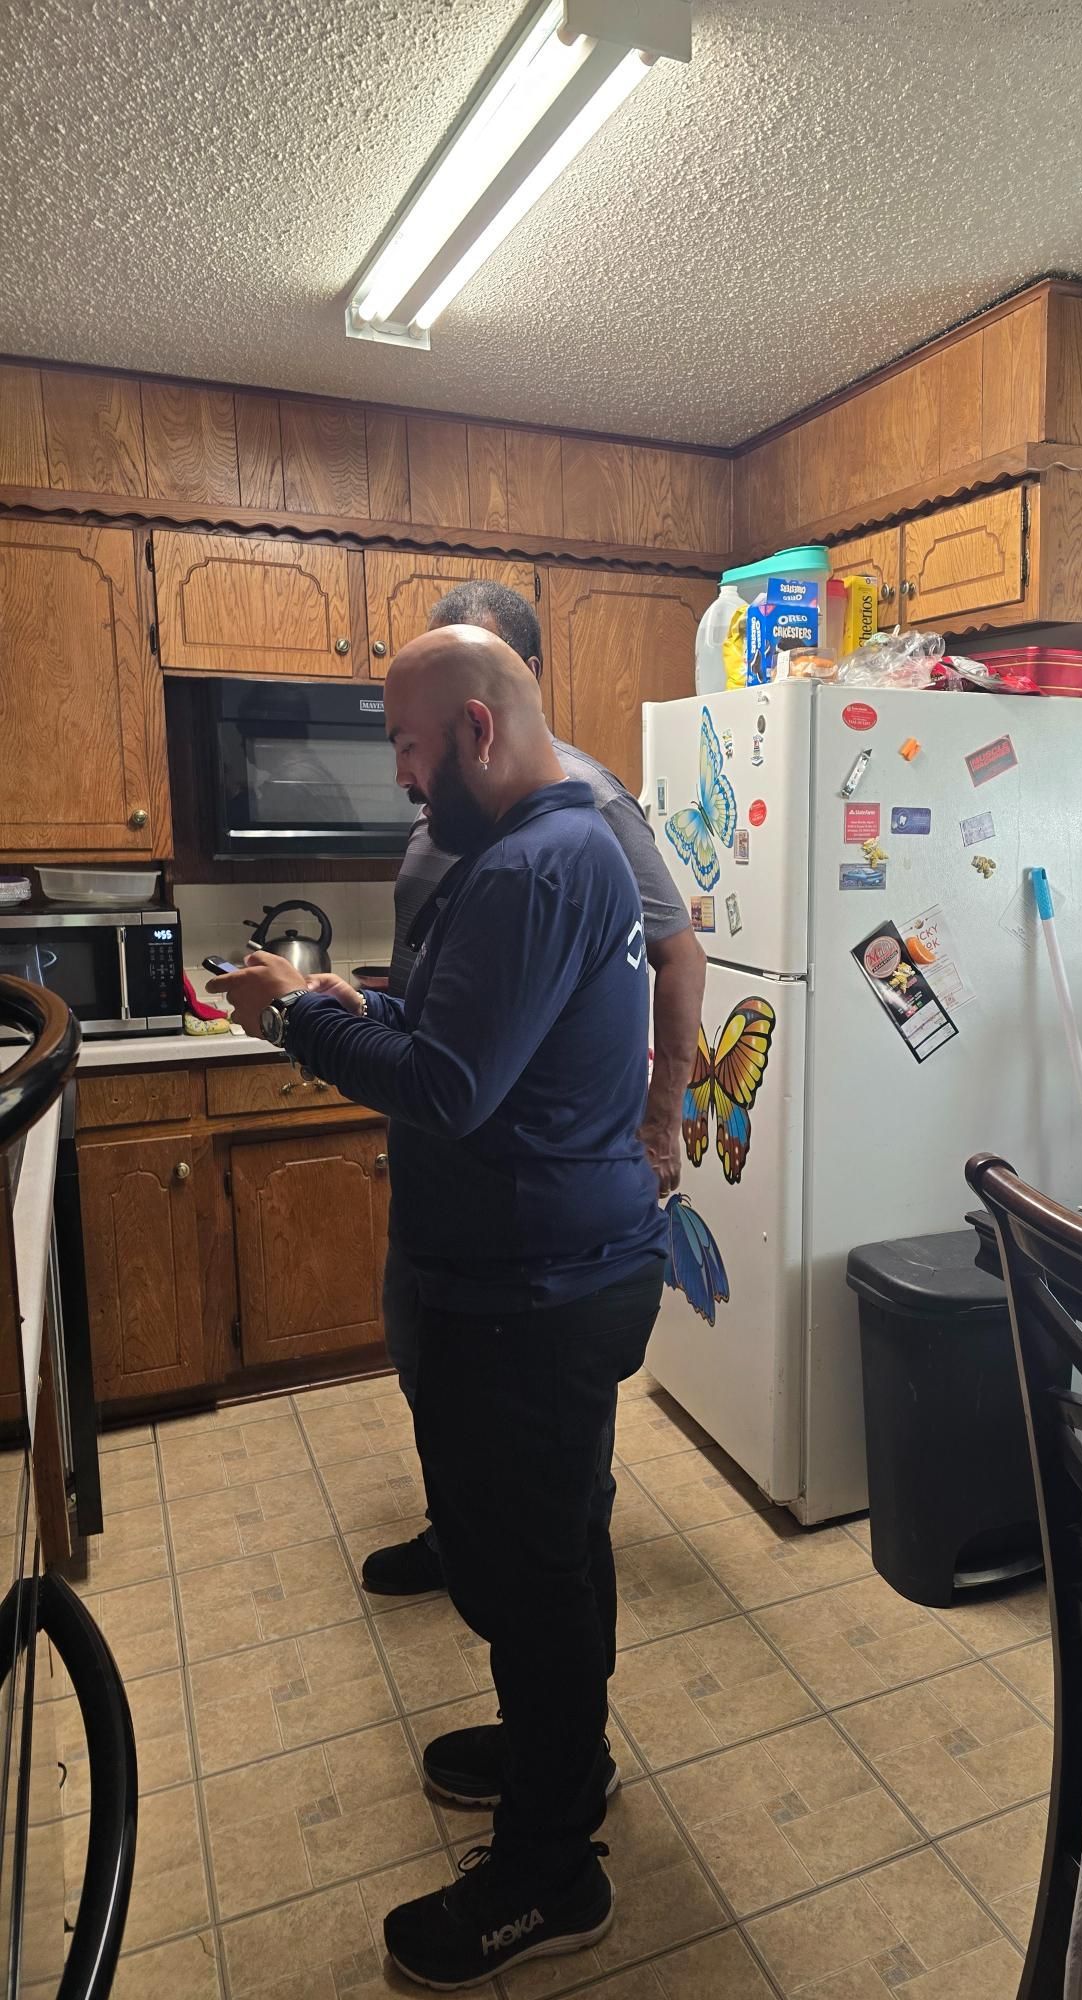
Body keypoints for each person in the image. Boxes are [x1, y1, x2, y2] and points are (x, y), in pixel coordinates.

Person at [207, 626, 666, 1987]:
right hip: (555, 1273)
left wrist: (296, 1017)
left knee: (522, 1576)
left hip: (528, 1291)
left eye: (408, 754)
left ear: (474, 732)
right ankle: (561, 1770)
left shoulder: (533, 864)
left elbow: (452, 1090)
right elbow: (474, 1030)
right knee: (557, 1540)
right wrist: (373, 999)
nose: (403, 782)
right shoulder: (545, 852)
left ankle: (546, 1874)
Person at [364, 578, 704, 1602]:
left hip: (534, 1210)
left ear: (500, 703)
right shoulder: (464, 816)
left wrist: (661, 1119)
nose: (406, 768)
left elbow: (679, 955)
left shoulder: (580, 820)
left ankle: (537, 1569)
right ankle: (462, 1528)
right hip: (459, 1183)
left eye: (417, 740)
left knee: (541, 1448)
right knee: (435, 1368)